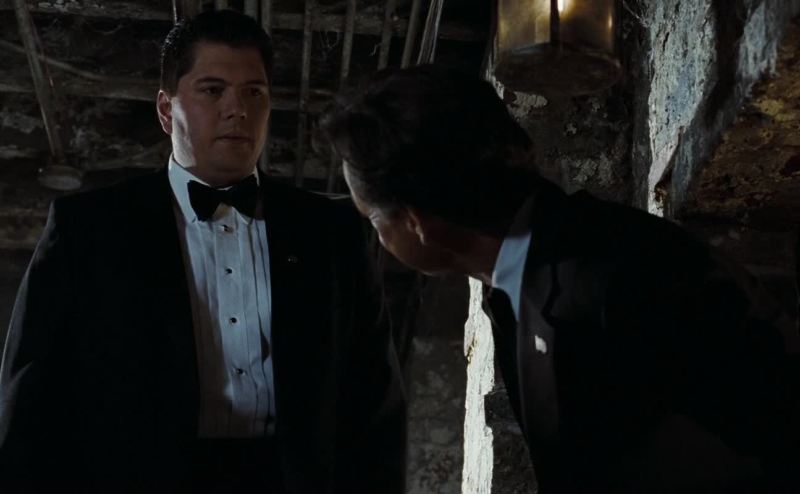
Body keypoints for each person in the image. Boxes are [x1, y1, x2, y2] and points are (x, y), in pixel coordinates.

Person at [318, 64, 800, 493]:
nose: (379, 239)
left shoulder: (604, 280)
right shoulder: (535, 273)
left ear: (418, 222)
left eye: (374, 220)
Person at [0, 10, 406, 494]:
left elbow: (375, 399)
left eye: (254, 92)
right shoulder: (88, 229)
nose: (237, 110)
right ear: (165, 110)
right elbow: (30, 396)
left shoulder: (332, 232)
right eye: (213, 90)